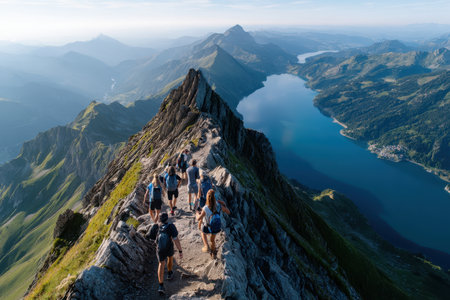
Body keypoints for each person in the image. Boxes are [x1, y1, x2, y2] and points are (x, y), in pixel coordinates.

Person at [148, 213, 183, 296]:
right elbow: (176, 239)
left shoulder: (155, 226)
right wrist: (180, 250)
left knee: (161, 263)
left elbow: (151, 238)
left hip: (160, 249)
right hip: (169, 246)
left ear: (159, 219)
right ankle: (170, 273)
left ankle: (160, 286)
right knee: (170, 257)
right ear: (167, 219)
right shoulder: (171, 226)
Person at [196, 190, 230, 257]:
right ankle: (213, 253)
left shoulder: (205, 208)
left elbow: (198, 218)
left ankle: (206, 246)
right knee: (212, 241)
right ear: (215, 198)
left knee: (202, 232)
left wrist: (197, 213)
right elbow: (228, 212)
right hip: (216, 227)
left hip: (207, 227)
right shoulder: (219, 206)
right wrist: (224, 205)